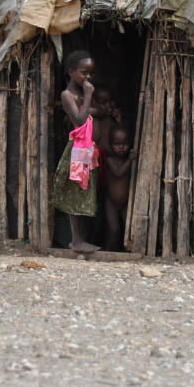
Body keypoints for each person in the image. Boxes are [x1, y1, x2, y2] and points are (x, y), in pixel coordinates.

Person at [51, 50, 100, 253]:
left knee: (85, 192)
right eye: (83, 73)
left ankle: (81, 239)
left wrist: (88, 105)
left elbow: (92, 111)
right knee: (75, 191)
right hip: (77, 149)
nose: (87, 77)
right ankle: (76, 240)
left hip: (89, 149)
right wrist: (88, 98)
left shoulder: (81, 95)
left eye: (90, 73)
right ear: (71, 72)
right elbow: (79, 120)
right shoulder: (67, 95)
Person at [103, 124, 136, 252]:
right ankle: (110, 253)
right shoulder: (110, 160)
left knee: (130, 230)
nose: (121, 147)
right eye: (117, 144)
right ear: (111, 145)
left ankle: (126, 252)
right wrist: (130, 160)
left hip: (126, 202)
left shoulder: (130, 160)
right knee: (114, 230)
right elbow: (118, 172)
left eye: (125, 143)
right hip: (111, 202)